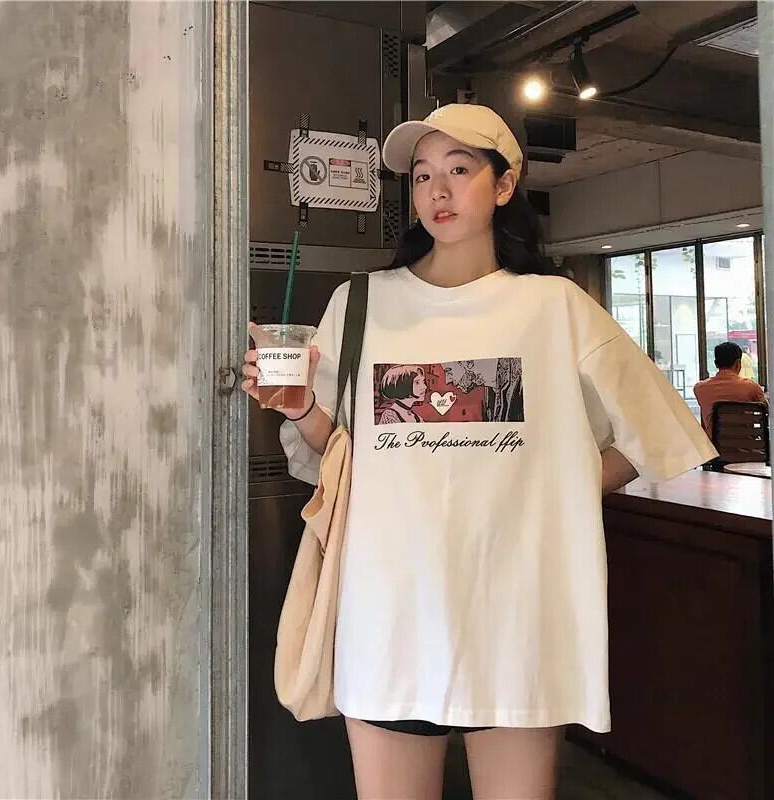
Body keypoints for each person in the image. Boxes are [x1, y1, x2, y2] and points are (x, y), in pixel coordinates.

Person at [242, 104, 717, 799]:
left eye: (460, 170)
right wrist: (298, 406)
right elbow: (338, 458)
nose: (437, 190)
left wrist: (561, 489)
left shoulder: (553, 307)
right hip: (390, 616)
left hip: (516, 621)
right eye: (422, 175)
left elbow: (658, 427)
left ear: (504, 185)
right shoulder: (362, 302)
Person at [693, 341, 767, 440]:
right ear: (738, 363)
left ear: (716, 364)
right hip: (748, 446)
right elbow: (767, 409)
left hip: (715, 448)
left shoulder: (699, 389)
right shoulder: (751, 387)